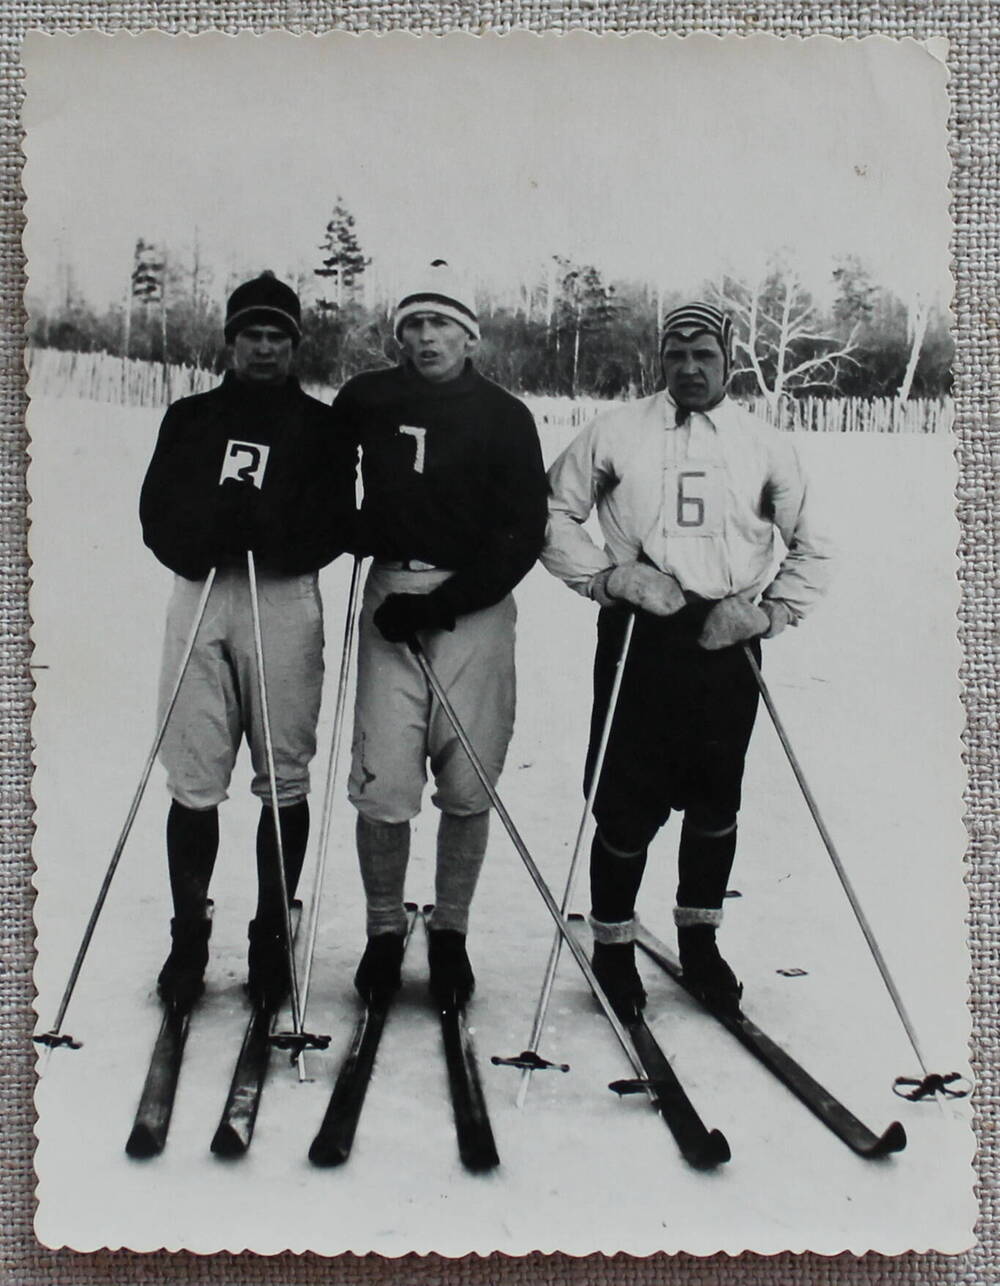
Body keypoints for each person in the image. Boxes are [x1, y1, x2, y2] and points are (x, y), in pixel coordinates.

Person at [541, 301, 831, 1018]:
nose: (690, 368)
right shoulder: (616, 434)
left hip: (725, 636)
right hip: (642, 631)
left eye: (704, 354)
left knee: (714, 798)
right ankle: (612, 946)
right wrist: (611, 578)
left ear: (729, 359)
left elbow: (814, 545)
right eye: (677, 355)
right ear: (660, 359)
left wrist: (768, 612)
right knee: (625, 801)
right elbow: (549, 513)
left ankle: (699, 944)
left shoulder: (764, 445)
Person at [328, 260, 548, 1008]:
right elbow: (323, 479)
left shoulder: (504, 414)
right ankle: (385, 931)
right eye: (413, 324)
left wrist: (446, 601)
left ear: (469, 334)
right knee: (385, 780)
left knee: (467, 775)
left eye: (440, 323)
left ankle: (450, 932)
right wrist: (349, 528)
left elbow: (521, 536)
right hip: (392, 594)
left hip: (473, 608)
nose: (426, 337)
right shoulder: (368, 397)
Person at [139, 272, 355, 1011]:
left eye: (278, 338)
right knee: (194, 773)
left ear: (295, 346)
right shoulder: (191, 417)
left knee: (282, 772)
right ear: (229, 341)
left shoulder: (320, 426)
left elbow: (337, 523)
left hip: (282, 598)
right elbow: (156, 515)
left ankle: (271, 934)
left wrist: (276, 533)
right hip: (202, 595)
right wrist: (202, 536)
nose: (264, 349)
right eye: (251, 335)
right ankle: (189, 939)